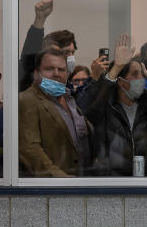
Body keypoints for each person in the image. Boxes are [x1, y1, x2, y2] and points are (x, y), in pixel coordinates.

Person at [78, 33, 147, 176]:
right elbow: (86, 111)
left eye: (142, 75)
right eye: (135, 74)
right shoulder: (107, 105)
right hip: (110, 178)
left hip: (146, 176)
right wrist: (116, 68)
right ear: (121, 81)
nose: (141, 79)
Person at [19, 47, 93, 177]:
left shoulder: (70, 99)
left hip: (81, 178)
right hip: (53, 186)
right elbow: (30, 149)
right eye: (49, 69)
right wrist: (60, 178)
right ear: (37, 73)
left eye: (62, 69)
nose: (56, 73)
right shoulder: (26, 99)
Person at [18, 0, 79, 91]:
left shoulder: (68, 88)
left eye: (72, 53)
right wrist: (40, 20)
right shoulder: (34, 82)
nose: (71, 58)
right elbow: (29, 58)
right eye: (66, 52)